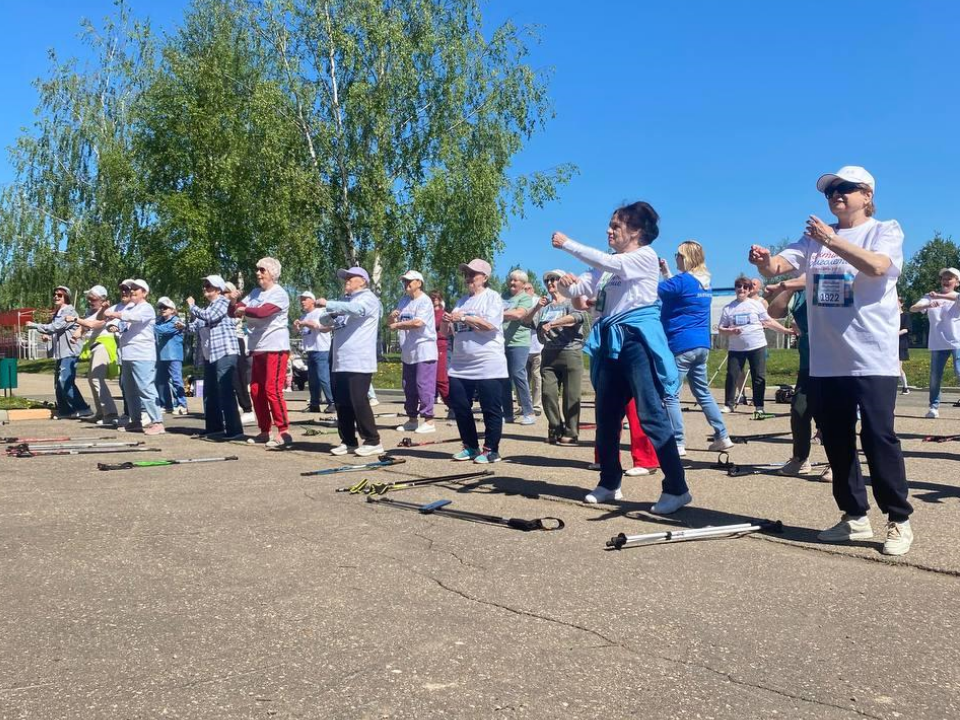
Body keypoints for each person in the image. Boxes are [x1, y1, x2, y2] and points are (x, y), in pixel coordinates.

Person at [750, 165, 913, 555]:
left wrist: (830, 240)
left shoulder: (884, 230)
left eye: (845, 189)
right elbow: (777, 267)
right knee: (837, 441)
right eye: (830, 191)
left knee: (878, 438)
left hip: (871, 355)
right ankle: (854, 516)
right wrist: (762, 261)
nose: (836, 195)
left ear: (867, 196)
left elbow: (876, 266)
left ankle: (898, 520)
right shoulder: (812, 240)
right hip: (826, 358)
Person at [553, 201, 690, 513]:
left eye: (616, 225)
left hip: (636, 341)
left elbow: (606, 263)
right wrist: (567, 286)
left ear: (636, 231)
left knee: (651, 415)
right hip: (610, 342)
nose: (609, 230)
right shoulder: (609, 264)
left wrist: (567, 244)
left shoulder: (644, 257)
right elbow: (581, 294)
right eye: (610, 224)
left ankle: (677, 488)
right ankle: (609, 481)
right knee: (606, 416)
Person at [658, 241, 733, 453]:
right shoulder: (704, 283)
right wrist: (666, 272)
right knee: (702, 392)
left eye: (678, 255)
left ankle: (678, 441)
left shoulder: (682, 281)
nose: (676, 258)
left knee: (670, 393)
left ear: (686, 257)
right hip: (701, 344)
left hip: (681, 343)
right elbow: (679, 289)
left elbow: (654, 290)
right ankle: (722, 435)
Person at [765, 276, 832, 481]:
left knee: (831, 415)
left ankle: (838, 462)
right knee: (799, 410)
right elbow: (774, 311)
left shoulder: (833, 281)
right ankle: (800, 459)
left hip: (835, 361)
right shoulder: (798, 290)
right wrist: (789, 286)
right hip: (808, 362)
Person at [442, 258, 508, 464]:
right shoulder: (462, 301)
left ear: (485, 277)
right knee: (460, 405)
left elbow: (489, 325)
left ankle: (491, 450)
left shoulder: (492, 298)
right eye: (466, 274)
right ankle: (470, 446)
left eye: (473, 274)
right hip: (461, 363)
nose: (468, 278)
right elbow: (448, 331)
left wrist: (463, 318)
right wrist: (446, 322)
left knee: (490, 407)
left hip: (487, 361)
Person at [317, 266, 384, 457]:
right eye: (345, 277)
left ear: (362, 281)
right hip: (340, 359)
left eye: (350, 277)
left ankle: (372, 440)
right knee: (342, 402)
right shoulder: (345, 301)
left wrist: (330, 304)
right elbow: (324, 319)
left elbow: (358, 310)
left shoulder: (368, 298)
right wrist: (331, 311)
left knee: (358, 400)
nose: (346, 280)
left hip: (359, 359)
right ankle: (348, 441)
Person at [520, 269, 587, 445]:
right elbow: (525, 321)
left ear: (562, 282)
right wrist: (536, 307)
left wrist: (554, 323)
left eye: (554, 279)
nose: (550, 283)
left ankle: (571, 432)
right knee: (548, 393)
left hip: (570, 351)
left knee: (571, 395)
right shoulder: (545, 308)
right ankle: (555, 428)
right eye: (547, 281)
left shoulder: (572, 301)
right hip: (549, 354)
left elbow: (578, 317)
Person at [234, 258, 292, 448]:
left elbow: (262, 312)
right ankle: (264, 431)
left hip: (275, 346)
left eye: (262, 270)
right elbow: (233, 311)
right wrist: (234, 300)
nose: (258, 273)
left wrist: (243, 309)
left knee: (272, 389)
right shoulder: (255, 293)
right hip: (257, 347)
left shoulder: (279, 294)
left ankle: (284, 432)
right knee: (257, 391)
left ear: (272, 273)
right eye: (257, 270)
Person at [718, 275, 794, 417]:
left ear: (749, 290)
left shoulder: (756, 304)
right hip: (736, 348)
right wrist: (730, 331)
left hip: (757, 345)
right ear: (735, 289)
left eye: (745, 287)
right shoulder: (728, 308)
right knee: (732, 375)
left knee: (758, 376)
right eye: (739, 287)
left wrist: (784, 330)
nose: (742, 289)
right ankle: (729, 404)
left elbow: (768, 321)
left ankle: (759, 406)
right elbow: (721, 329)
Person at [103, 279, 164, 435]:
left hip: (143, 354)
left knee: (145, 388)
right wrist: (112, 325)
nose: (133, 291)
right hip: (127, 354)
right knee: (129, 390)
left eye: (137, 288)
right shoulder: (129, 307)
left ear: (145, 292)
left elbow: (132, 317)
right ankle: (135, 421)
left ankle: (157, 422)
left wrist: (115, 313)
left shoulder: (146, 308)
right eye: (132, 288)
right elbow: (116, 322)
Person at [186, 275, 244, 440]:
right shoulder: (209, 307)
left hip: (225, 351)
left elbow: (211, 317)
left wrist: (192, 306)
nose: (205, 288)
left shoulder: (222, 303)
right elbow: (195, 326)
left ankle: (234, 430)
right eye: (204, 285)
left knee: (225, 391)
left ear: (218, 289)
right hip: (211, 354)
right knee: (209, 392)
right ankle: (214, 427)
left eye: (209, 286)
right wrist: (186, 324)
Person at [27, 286, 92, 419]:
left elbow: (55, 327)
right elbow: (58, 331)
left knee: (64, 381)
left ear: (66, 297)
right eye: (54, 294)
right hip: (61, 352)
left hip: (69, 351)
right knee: (58, 383)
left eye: (60, 295)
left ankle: (83, 408)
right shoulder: (58, 312)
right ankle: (65, 411)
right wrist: (48, 337)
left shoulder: (68, 311)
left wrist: (35, 325)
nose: (56, 297)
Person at [389, 270, 438, 434]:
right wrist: (391, 318)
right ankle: (412, 419)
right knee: (408, 386)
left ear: (419, 282)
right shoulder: (403, 300)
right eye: (404, 281)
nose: (406, 284)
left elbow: (418, 323)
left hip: (424, 348)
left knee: (423, 384)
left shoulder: (424, 301)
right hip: (408, 349)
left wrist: (397, 325)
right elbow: (392, 323)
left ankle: (429, 420)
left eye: (409, 281)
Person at [910, 267, 960, 418]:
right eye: (943, 278)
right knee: (935, 376)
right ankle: (933, 406)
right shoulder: (929, 297)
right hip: (937, 343)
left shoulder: (956, 296)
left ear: (956, 282)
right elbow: (913, 308)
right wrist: (928, 304)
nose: (945, 281)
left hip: (957, 341)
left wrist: (938, 296)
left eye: (949, 279)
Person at [70, 284, 119, 425]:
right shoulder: (90, 311)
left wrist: (103, 308)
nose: (90, 301)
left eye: (93, 299)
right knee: (93, 379)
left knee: (97, 378)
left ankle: (110, 413)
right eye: (89, 298)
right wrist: (77, 334)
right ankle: (101, 412)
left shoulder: (106, 311)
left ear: (103, 299)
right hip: (95, 345)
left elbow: (95, 322)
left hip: (104, 345)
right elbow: (85, 326)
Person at [500, 269, 536, 425]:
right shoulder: (504, 297)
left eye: (516, 280)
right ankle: (507, 414)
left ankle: (529, 412)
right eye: (511, 279)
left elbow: (519, 315)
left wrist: (497, 313)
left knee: (518, 374)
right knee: (503, 379)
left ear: (523, 283)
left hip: (519, 342)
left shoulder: (525, 298)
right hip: (502, 342)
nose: (512, 283)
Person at [294, 291, 334, 413]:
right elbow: (302, 332)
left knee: (323, 378)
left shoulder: (320, 313)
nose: (302, 302)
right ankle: (314, 404)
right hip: (310, 350)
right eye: (301, 299)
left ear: (312, 300)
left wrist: (306, 323)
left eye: (305, 299)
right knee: (312, 380)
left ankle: (332, 402)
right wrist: (296, 327)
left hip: (321, 349)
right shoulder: (303, 316)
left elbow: (326, 327)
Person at [224, 281, 257, 424]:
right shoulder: (219, 307)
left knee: (239, 377)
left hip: (237, 341)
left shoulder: (237, 307)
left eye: (226, 292)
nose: (222, 295)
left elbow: (233, 313)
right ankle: (235, 406)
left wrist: (232, 300)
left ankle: (248, 409)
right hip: (224, 343)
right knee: (228, 377)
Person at [154, 297, 189, 416]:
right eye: (160, 307)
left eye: (165, 307)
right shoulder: (158, 321)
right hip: (161, 356)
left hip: (174, 355)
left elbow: (164, 331)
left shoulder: (177, 322)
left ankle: (182, 404)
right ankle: (166, 405)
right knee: (161, 381)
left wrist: (149, 326)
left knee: (176, 381)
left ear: (172, 310)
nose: (162, 310)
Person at [523, 281, 544, 416]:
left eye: (528, 289)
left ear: (533, 289)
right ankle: (524, 405)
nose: (526, 291)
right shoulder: (518, 304)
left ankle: (536, 405)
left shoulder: (539, 302)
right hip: (523, 345)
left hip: (538, 345)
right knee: (523, 378)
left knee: (537, 377)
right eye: (524, 289)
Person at [429, 290, 451, 412]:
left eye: (436, 297)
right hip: (428, 345)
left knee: (441, 378)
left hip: (440, 345)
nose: (434, 299)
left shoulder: (443, 313)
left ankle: (452, 405)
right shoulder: (427, 312)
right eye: (432, 298)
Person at [898, 297, 910, 394]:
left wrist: (895, 333)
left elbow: (906, 329)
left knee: (898, 367)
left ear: (901, 304)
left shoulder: (905, 316)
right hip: (890, 344)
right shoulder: (891, 316)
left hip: (900, 344)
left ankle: (905, 387)